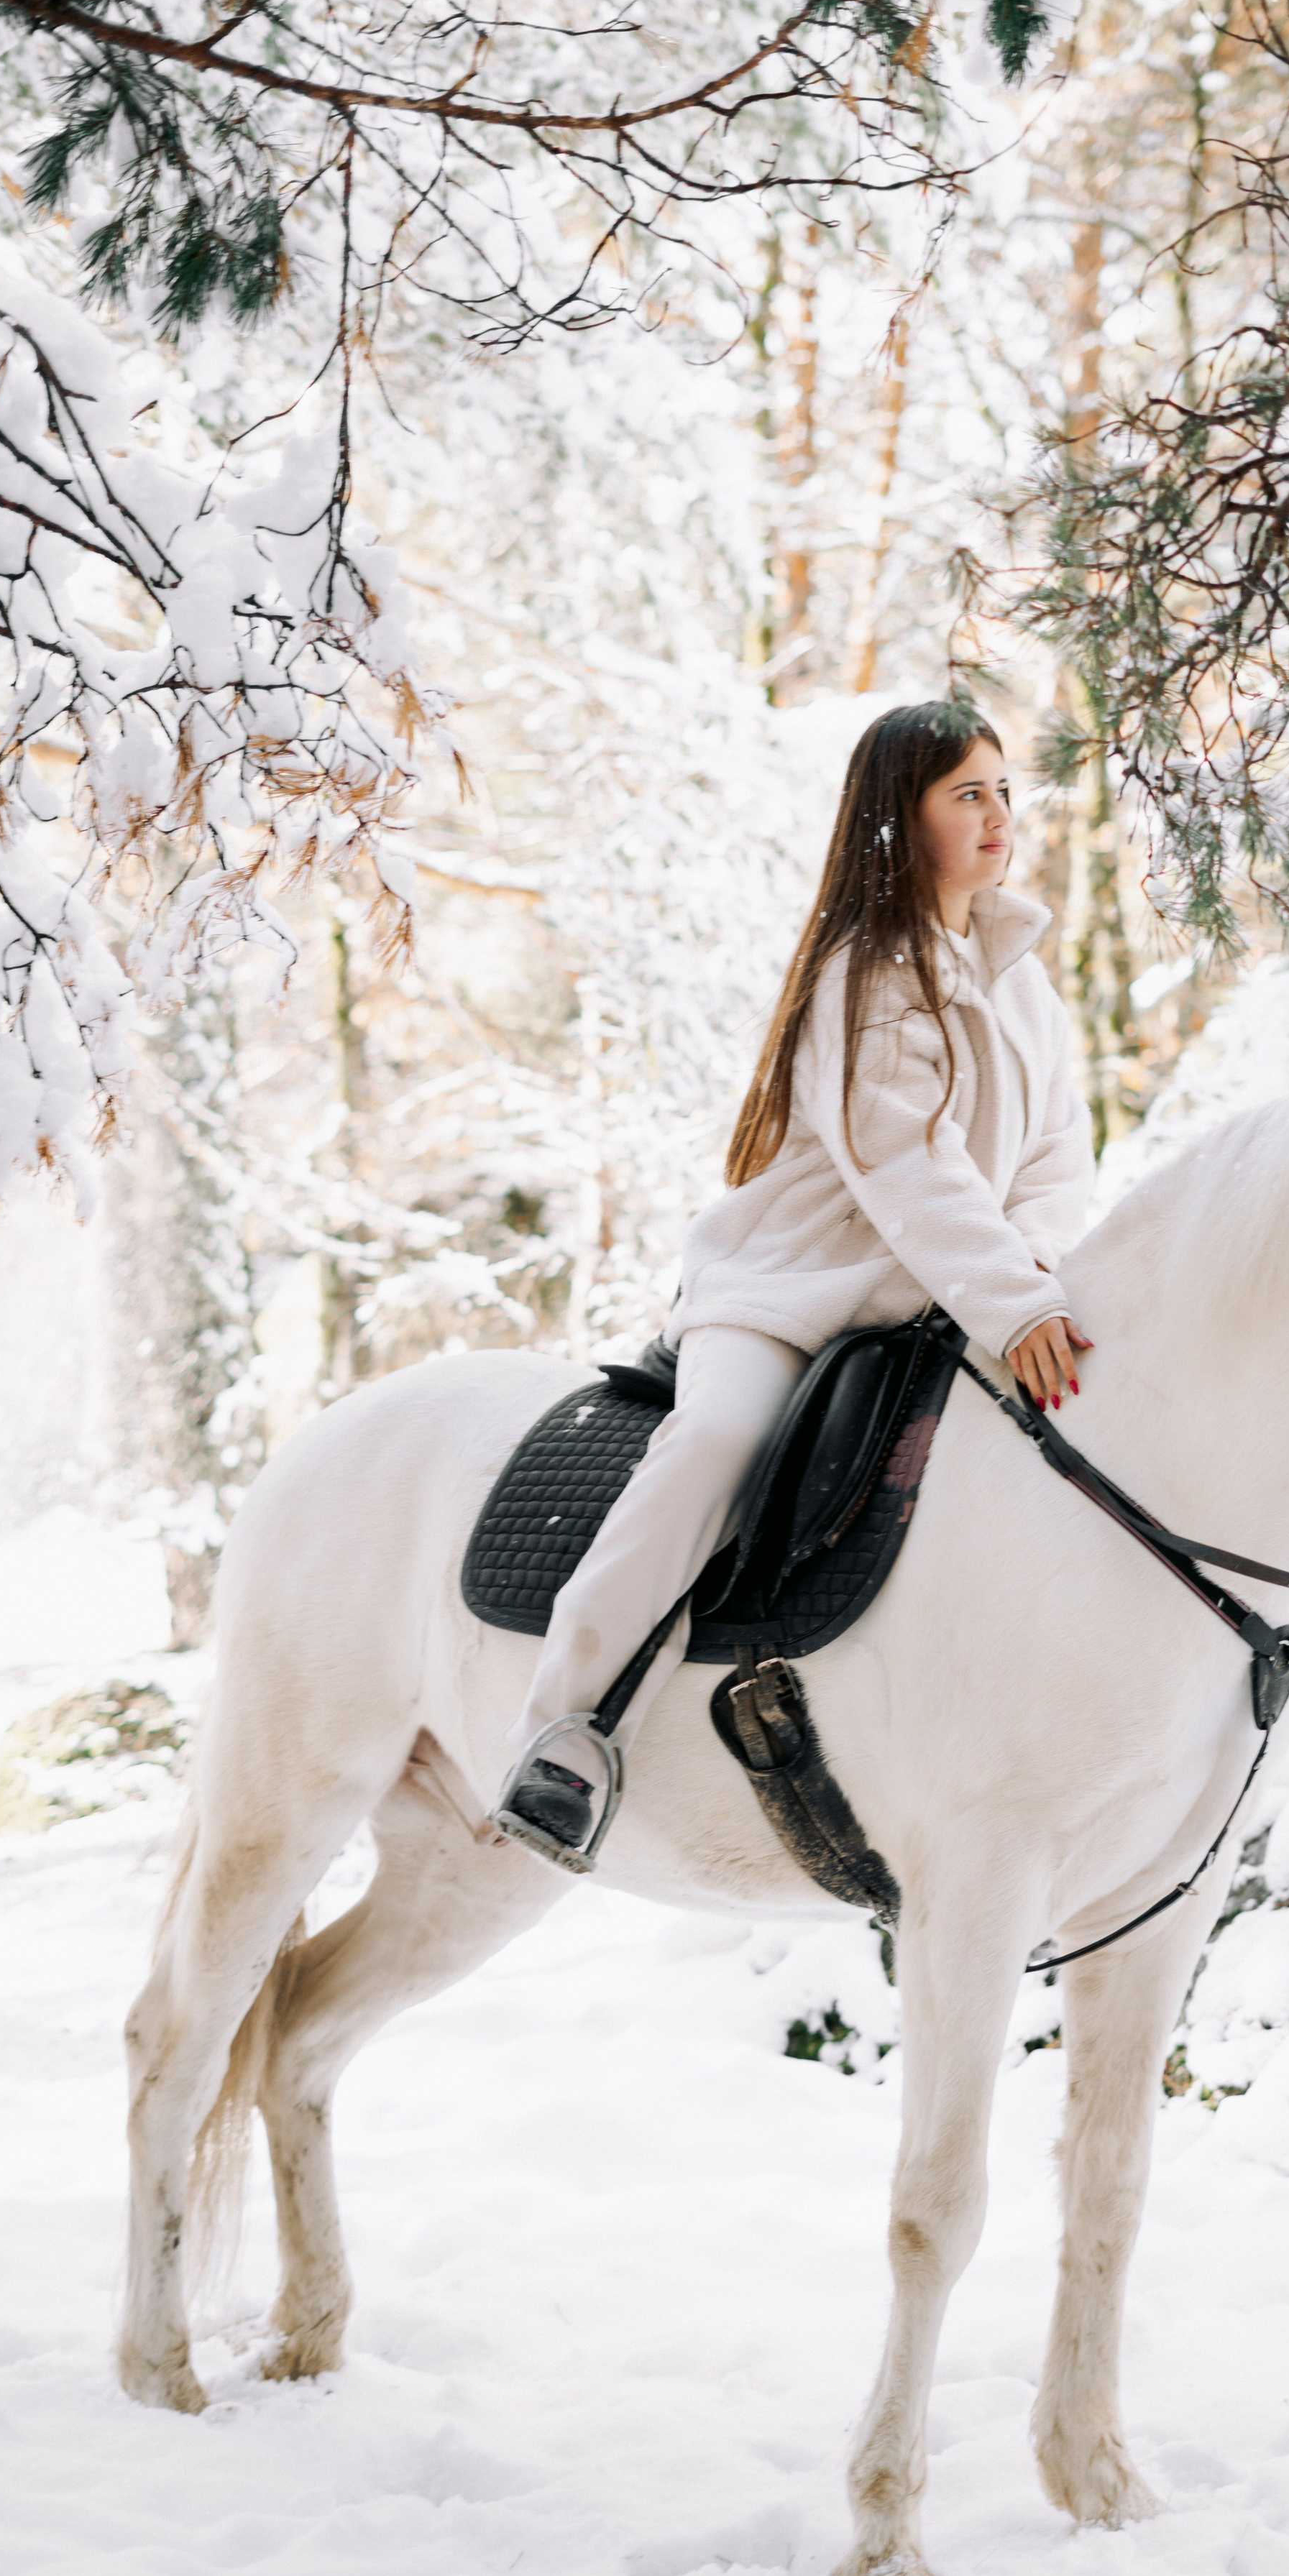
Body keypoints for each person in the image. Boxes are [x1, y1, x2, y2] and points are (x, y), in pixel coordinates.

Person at [491, 699, 1096, 1865]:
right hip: (791, 1295)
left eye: (1004, 791)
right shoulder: (866, 977)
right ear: (899, 817)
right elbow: (907, 1166)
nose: (998, 816)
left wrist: (1035, 1269)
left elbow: (1060, 1157)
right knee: (719, 1440)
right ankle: (562, 1725)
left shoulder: (1023, 979)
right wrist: (1013, 1300)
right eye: (967, 794)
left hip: (937, 1308)